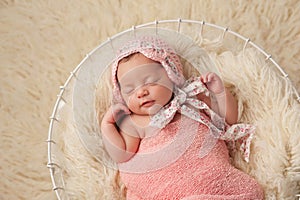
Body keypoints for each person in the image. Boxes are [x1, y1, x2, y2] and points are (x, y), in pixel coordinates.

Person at [100, 36, 263, 199]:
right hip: (161, 187)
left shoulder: (193, 99)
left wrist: (219, 92)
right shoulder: (136, 121)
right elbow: (122, 155)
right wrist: (107, 125)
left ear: (172, 75)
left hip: (208, 175)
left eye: (150, 81)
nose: (141, 92)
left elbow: (229, 118)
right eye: (129, 90)